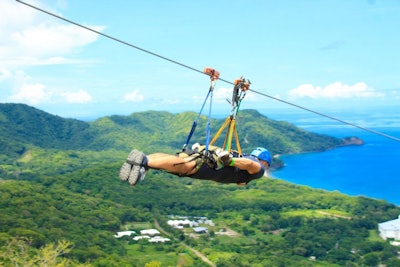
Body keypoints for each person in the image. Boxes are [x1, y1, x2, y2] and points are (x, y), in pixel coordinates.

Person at [119, 144, 271, 186]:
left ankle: (143, 160)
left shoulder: (241, 154)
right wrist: (230, 161)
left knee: (178, 160)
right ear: (265, 161)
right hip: (215, 165)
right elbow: (253, 166)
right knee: (186, 167)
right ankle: (144, 162)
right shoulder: (259, 166)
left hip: (210, 155)